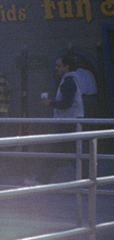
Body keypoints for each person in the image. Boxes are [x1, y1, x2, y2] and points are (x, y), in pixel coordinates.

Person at [31, 55, 84, 184]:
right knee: (70, 153)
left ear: (67, 67)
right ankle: (87, 179)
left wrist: (50, 103)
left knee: (58, 152)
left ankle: (42, 180)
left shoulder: (68, 81)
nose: (56, 68)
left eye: (59, 65)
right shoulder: (71, 80)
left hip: (68, 122)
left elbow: (66, 103)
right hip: (71, 122)